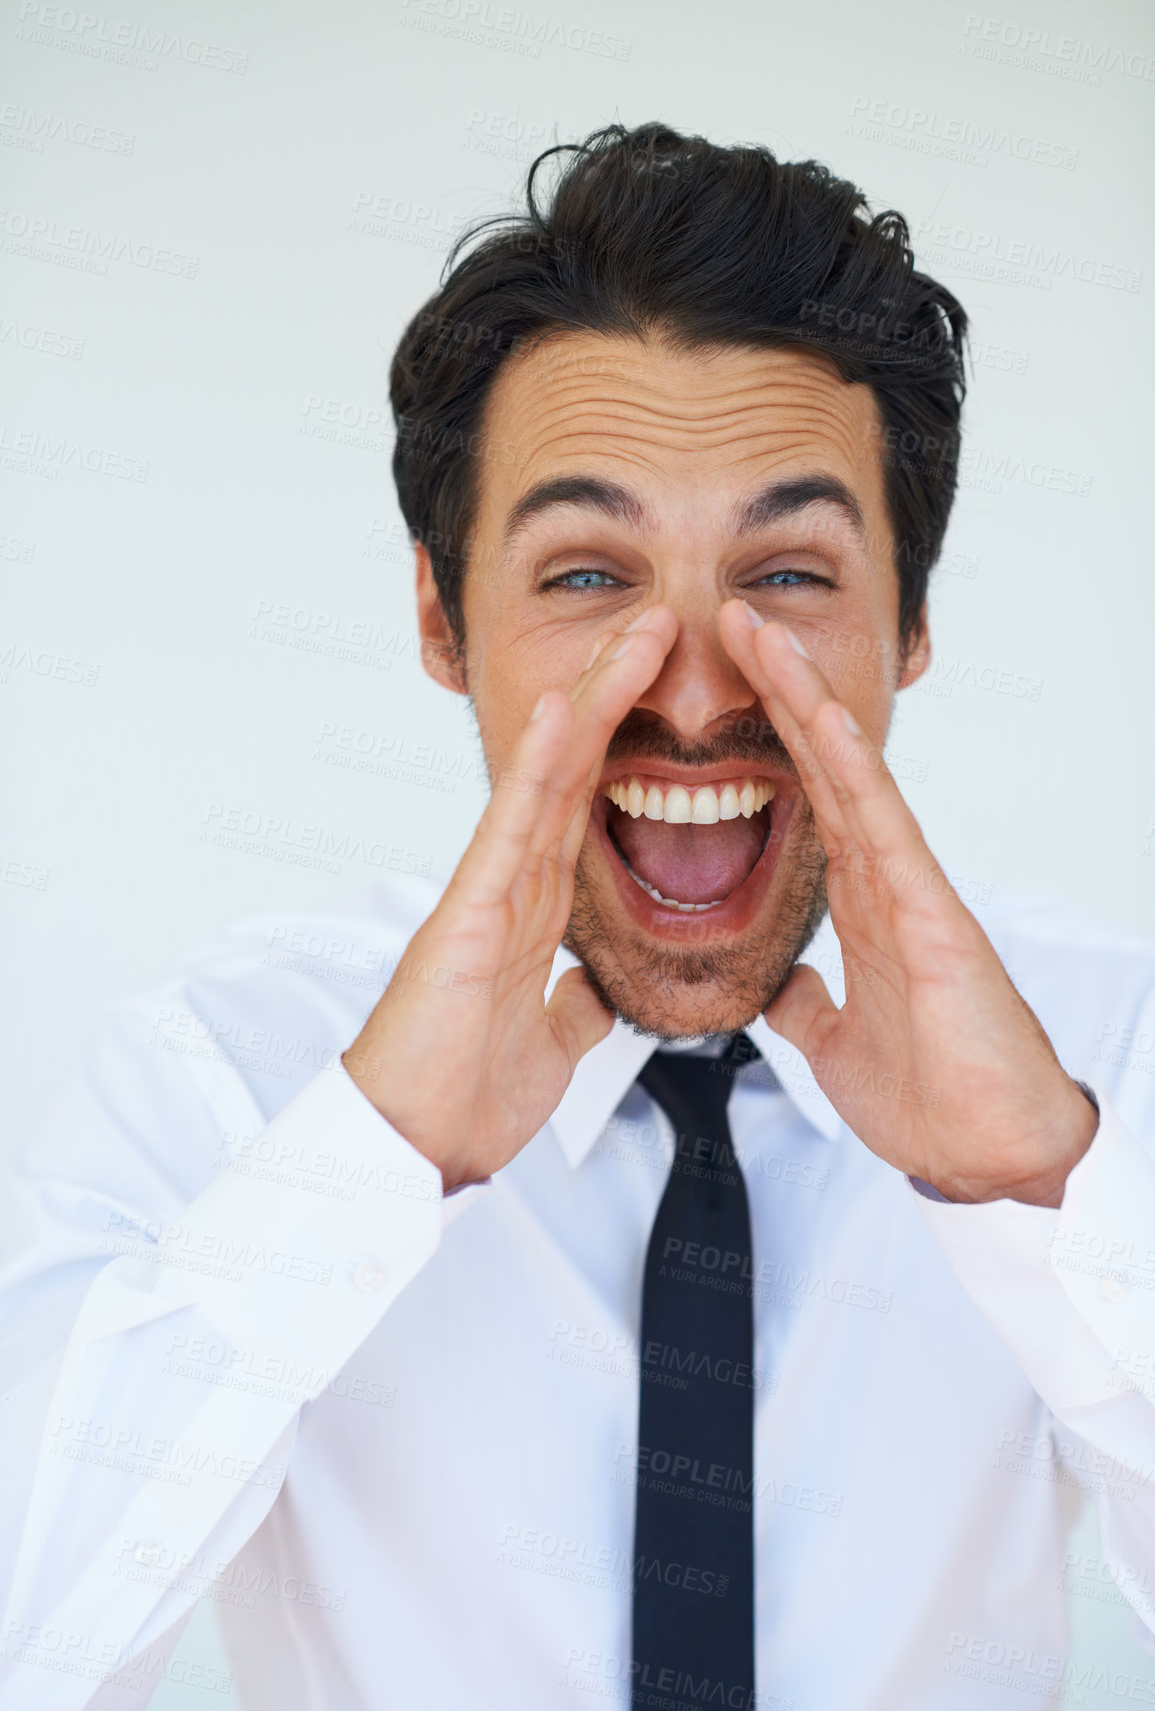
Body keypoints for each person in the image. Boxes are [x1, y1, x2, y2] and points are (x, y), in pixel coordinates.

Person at [2, 122, 1153, 1711]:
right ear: (440, 620)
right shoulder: (219, 1068)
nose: (692, 689)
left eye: (794, 576)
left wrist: (1046, 1196)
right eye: (589, 578)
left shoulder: (1107, 1052)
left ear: (915, 625)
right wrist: (376, 1159)